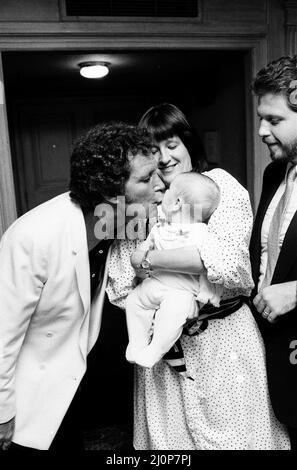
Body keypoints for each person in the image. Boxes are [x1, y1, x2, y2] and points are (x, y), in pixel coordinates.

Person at [106, 103, 290, 449]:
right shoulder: (138, 204)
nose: (163, 158)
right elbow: (120, 283)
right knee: (172, 445)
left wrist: (150, 260)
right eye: (152, 150)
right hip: (163, 349)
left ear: (189, 143)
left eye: (171, 144)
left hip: (224, 340)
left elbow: (224, 262)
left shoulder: (218, 186)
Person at [0, 121, 163, 451]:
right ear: (108, 192)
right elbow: (3, 331)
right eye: (146, 178)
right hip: (23, 397)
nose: (161, 185)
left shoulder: (122, 224)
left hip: (68, 388)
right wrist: (2, 412)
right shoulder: (34, 236)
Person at [125, 172, 222, 369]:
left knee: (171, 318)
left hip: (181, 292)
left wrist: (203, 297)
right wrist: (140, 263)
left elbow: (209, 266)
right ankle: (137, 343)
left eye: (168, 191)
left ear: (177, 202)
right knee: (133, 302)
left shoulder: (202, 233)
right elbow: (144, 248)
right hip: (155, 284)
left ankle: (154, 350)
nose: (162, 193)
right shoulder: (160, 227)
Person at [249, 55, 297, 450]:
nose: (262, 130)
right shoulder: (273, 172)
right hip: (273, 346)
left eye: (275, 120)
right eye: (261, 118)